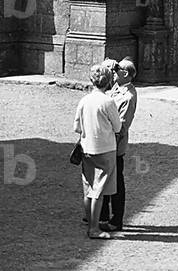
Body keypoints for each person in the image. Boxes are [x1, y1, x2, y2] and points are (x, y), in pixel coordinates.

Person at [73, 63, 122, 240]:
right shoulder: (108, 102)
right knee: (99, 190)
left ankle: (89, 221)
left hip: (87, 147)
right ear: (108, 81)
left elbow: (77, 126)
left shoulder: (84, 100)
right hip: (105, 148)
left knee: (88, 187)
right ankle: (94, 228)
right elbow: (117, 126)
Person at [100, 58, 139, 232]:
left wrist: (108, 145)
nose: (114, 72)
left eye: (117, 70)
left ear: (125, 74)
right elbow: (99, 84)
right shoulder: (116, 87)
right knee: (105, 180)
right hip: (106, 143)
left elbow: (122, 127)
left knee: (116, 184)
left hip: (114, 146)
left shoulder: (128, 96)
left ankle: (116, 219)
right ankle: (101, 215)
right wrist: (105, 67)